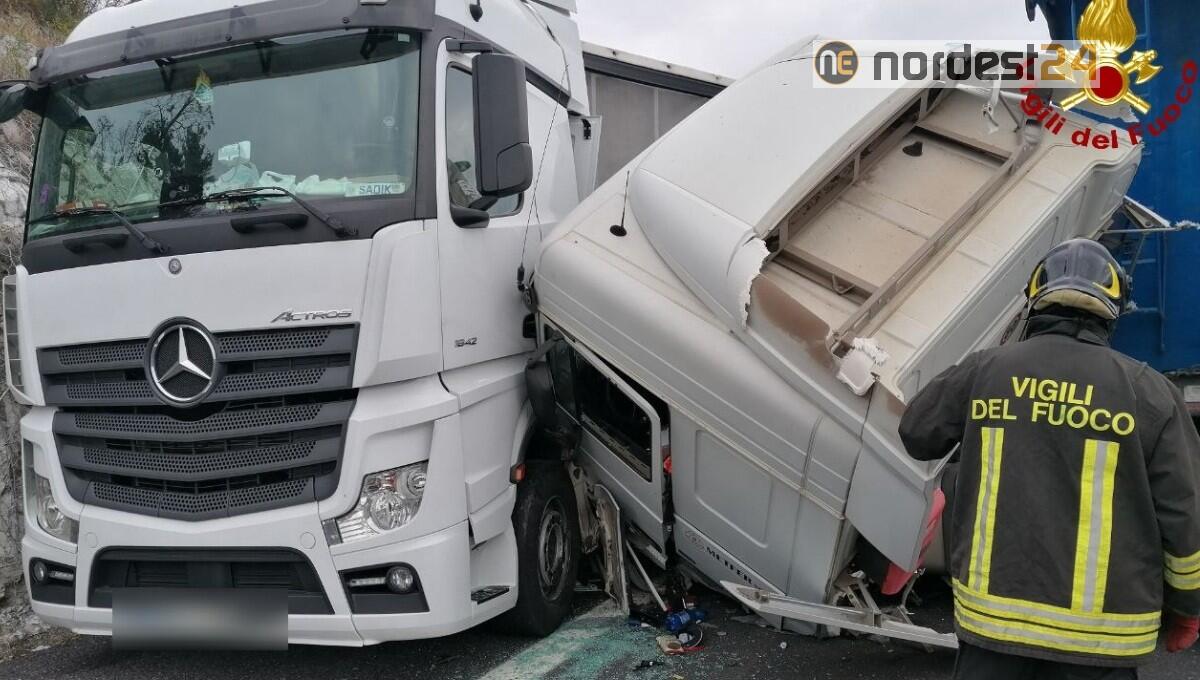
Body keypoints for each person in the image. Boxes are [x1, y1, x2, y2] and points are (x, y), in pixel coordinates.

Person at [899, 238, 1200, 679]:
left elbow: (917, 433)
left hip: (994, 630)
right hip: (1101, 643)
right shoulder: (1150, 394)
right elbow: (1185, 519)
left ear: (1036, 301)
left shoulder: (985, 372)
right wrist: (1188, 609)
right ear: (1113, 309)